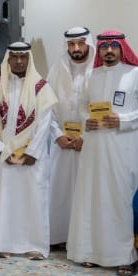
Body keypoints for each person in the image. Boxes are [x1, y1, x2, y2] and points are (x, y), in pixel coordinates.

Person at [66, 30, 138, 276]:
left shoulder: (135, 74)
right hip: (94, 147)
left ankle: (124, 257)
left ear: (122, 48)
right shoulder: (92, 75)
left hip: (122, 146)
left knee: (118, 200)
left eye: (113, 46)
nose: (108, 51)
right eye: (104, 47)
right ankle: (92, 253)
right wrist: (87, 120)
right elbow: (83, 105)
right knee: (91, 198)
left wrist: (123, 120)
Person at [0, 41, 57, 260]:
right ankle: (3, 243)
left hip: (31, 158)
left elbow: (45, 122)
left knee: (33, 199)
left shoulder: (41, 88)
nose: (19, 61)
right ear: (8, 59)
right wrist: (0, 149)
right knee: (4, 199)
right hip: (4, 156)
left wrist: (32, 153)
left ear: (29, 59)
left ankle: (34, 245)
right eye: (15, 57)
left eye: (23, 57)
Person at [47, 26, 93, 250]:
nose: (76, 48)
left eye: (81, 43)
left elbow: (102, 109)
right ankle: (59, 237)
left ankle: (82, 240)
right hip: (62, 143)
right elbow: (46, 107)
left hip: (89, 144)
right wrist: (57, 135)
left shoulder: (98, 71)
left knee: (85, 192)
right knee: (60, 191)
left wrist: (86, 137)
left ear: (88, 44)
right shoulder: (57, 70)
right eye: (71, 44)